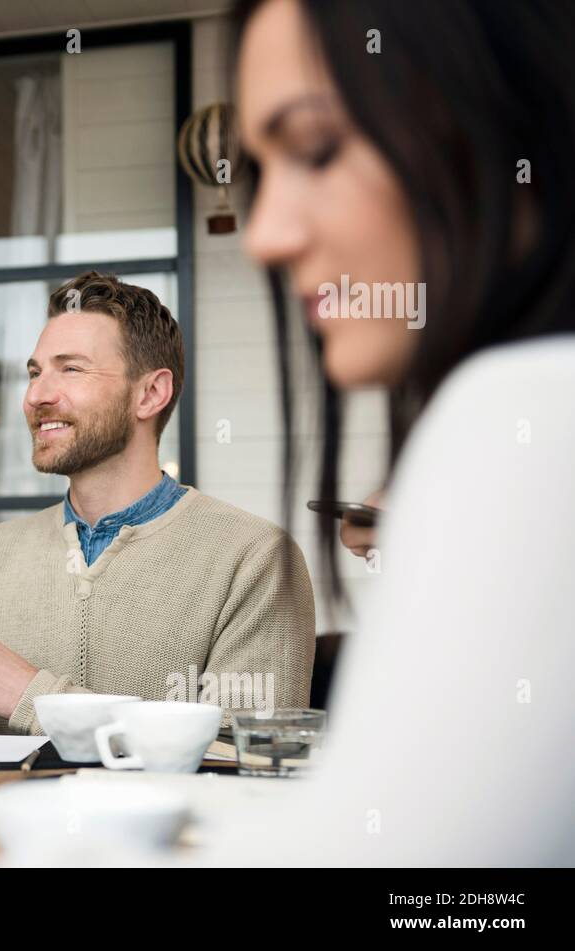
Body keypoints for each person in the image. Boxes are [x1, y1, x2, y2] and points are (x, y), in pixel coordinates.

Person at [196, 0, 575, 865]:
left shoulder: (519, 410)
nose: (264, 234)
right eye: (262, 170)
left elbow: (431, 896)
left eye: (319, 149)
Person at [0, 271, 317, 735]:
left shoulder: (255, 557)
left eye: (71, 369)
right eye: (35, 373)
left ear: (151, 393)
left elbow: (245, 756)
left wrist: (33, 697)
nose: (36, 396)